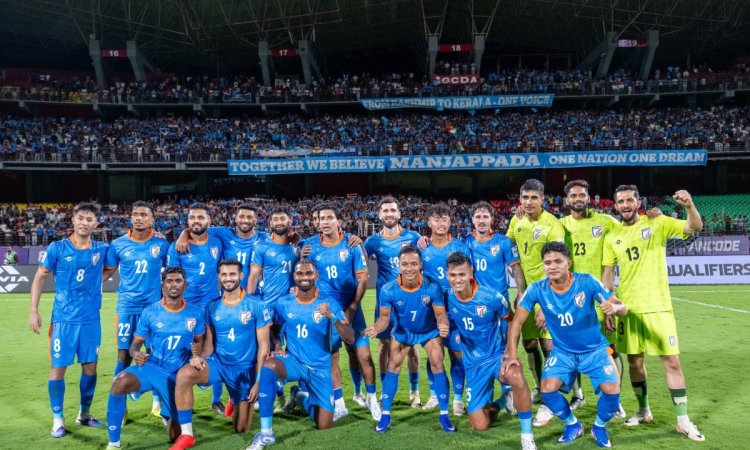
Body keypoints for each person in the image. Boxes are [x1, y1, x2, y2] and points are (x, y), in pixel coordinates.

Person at [602, 186, 705, 441]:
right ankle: (643, 410)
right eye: (621, 201)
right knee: (635, 363)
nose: (625, 205)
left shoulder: (657, 223)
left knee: (672, 363)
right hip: (628, 309)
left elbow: (694, 227)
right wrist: (608, 305)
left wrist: (689, 206)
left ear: (638, 202)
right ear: (615, 206)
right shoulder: (612, 237)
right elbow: (608, 274)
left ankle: (683, 420)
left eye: (630, 200)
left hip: (658, 307)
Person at [503, 242, 628, 448]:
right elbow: (516, 322)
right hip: (563, 352)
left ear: (568, 263)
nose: (552, 266)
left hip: (594, 350)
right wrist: (512, 354)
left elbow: (623, 307)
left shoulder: (586, 282)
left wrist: (615, 309)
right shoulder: (537, 289)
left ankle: (599, 427)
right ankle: (573, 424)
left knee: (612, 391)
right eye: (547, 263)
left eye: (558, 261)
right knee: (547, 390)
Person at [246, 259, 355, 450]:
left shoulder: (329, 303)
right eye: (300, 273)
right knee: (269, 366)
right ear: (294, 276)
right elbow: (273, 328)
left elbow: (350, 338)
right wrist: (278, 344)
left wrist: (332, 317)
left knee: (324, 424)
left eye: (309, 273)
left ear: (316, 276)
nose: (304, 277)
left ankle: (299, 396)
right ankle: (266, 433)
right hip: (294, 362)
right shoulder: (284, 303)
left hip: (319, 368)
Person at [170, 259, 271, 450]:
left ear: (241, 275)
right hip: (218, 364)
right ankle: (187, 434)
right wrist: (200, 357)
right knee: (184, 374)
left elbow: (264, 348)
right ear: (218, 277)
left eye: (232, 274)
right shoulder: (212, 306)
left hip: (244, 370)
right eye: (224, 274)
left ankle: (235, 398)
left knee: (241, 427)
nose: (228, 278)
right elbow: (209, 344)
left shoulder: (256, 305)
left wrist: (258, 382)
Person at [28, 202, 109, 438]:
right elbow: (39, 278)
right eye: (80, 218)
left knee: (91, 368)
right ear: (73, 220)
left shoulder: (102, 249)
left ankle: (84, 414)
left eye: (89, 219)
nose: (84, 222)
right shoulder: (57, 248)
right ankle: (58, 420)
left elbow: (116, 262)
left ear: (96, 224)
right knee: (58, 369)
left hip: (90, 320)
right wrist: (33, 310)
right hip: (63, 320)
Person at [105, 267, 205, 449]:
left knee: (175, 436)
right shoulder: (150, 312)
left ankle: (168, 411)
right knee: (119, 382)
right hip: (153, 367)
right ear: (163, 285)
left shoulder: (196, 313)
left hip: (177, 376)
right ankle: (113, 443)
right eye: (169, 281)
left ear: (185, 285)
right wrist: (136, 354)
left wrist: (197, 352)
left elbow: (200, 342)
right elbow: (135, 344)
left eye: (178, 281)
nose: (173, 285)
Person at [445, 251, 536, 449]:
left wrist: (510, 351)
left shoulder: (491, 297)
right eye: (452, 275)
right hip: (473, 364)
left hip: (496, 356)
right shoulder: (447, 297)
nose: (457, 280)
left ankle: (527, 436)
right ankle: (505, 400)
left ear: (471, 272)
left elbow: (511, 321)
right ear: (447, 275)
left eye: (462, 274)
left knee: (515, 375)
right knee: (480, 425)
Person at [364, 245, 455, 433]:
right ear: (399, 265)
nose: (409, 268)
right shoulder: (388, 290)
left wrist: (443, 324)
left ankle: (444, 416)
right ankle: (385, 416)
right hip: (403, 331)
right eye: (405, 264)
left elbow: (440, 314)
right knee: (393, 365)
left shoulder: (433, 287)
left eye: (414, 263)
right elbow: (384, 318)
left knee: (437, 362)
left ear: (421, 265)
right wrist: (376, 327)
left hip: (429, 331)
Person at [304, 203, 381, 421]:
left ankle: (371, 399)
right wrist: (298, 250)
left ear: (339, 221)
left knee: (363, 355)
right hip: (326, 311)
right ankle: (339, 404)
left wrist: (353, 307)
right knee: (332, 357)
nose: (325, 222)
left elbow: (363, 278)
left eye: (330, 217)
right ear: (317, 222)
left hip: (351, 308)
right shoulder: (309, 246)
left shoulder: (352, 243)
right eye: (322, 218)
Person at [559, 181, 624, 415]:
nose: (578, 198)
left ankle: (614, 399)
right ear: (566, 200)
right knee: (571, 350)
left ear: (589, 198)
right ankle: (578, 396)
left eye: (582, 195)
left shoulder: (606, 221)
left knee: (611, 350)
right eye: (573, 195)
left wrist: (652, 217)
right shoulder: (559, 226)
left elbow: (631, 227)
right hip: (570, 302)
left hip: (600, 299)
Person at [506, 179, 564, 426]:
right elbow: (509, 247)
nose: (529, 202)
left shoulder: (553, 225)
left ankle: (553, 396)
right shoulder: (516, 221)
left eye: (534, 198)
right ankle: (541, 389)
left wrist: (547, 304)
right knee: (530, 344)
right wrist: (521, 292)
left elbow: (557, 265)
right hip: (526, 295)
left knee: (549, 345)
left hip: (548, 295)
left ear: (543, 199)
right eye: (525, 197)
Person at [104, 201, 170, 418]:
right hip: (127, 308)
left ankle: (157, 405)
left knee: (156, 355)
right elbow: (106, 272)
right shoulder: (117, 245)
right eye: (135, 214)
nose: (139, 218)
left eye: (143, 214)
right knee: (123, 355)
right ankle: (119, 408)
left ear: (152, 220)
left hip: (154, 310)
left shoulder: (162, 245)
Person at [363, 196, 422, 408]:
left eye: (392, 210)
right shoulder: (372, 242)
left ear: (399, 214)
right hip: (384, 302)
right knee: (384, 345)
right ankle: (385, 390)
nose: (389, 214)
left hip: (410, 301)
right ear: (379, 215)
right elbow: (359, 262)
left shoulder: (414, 237)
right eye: (385, 211)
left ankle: (414, 392)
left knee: (411, 345)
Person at [167, 203, 225, 414]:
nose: (196, 221)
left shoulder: (217, 242)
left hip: (212, 305)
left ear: (209, 221)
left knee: (217, 350)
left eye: (201, 217)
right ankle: (176, 402)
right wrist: (183, 235)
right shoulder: (177, 247)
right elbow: (171, 279)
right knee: (179, 353)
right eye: (192, 217)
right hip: (186, 307)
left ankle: (216, 399)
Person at [419, 202, 471, 415]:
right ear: (429, 222)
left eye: (445, 219)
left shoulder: (460, 247)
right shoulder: (421, 247)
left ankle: (458, 400)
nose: (441, 223)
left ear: (450, 222)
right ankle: (434, 395)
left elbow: (470, 278)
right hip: (431, 311)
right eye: (436, 219)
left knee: (457, 353)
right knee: (434, 353)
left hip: (456, 308)